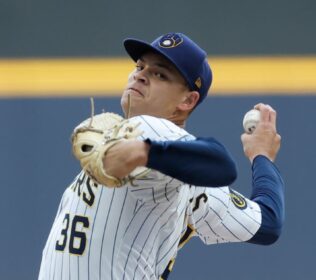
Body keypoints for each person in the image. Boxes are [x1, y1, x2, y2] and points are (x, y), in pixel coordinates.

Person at [38, 33, 284, 280]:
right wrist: (261, 156)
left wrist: (142, 151)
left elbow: (221, 163)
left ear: (187, 100)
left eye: (160, 74)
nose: (140, 75)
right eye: (139, 66)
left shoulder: (151, 128)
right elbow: (267, 223)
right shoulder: (190, 182)